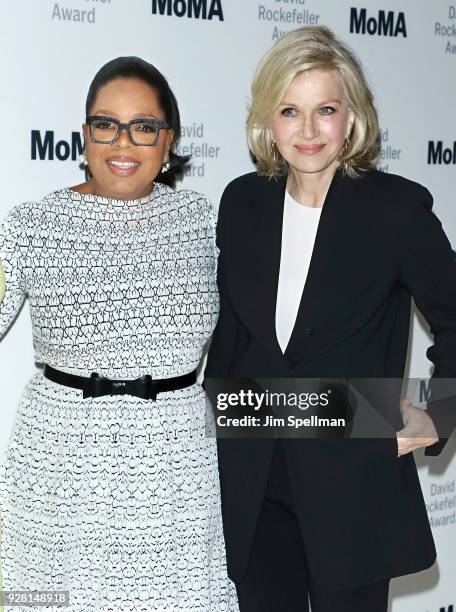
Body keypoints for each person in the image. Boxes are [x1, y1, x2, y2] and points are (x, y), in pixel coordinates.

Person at [205, 26, 456, 612]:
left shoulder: (397, 210)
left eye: (326, 110)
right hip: (255, 478)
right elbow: (233, 340)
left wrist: (438, 414)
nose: (309, 130)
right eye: (290, 111)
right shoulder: (243, 202)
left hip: (354, 482)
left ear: (353, 118)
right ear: (269, 121)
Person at [0, 56, 238, 611]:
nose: (123, 142)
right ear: (85, 136)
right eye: (106, 124)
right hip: (57, 465)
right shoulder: (30, 226)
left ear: (168, 138)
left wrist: (355, 409)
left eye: (143, 126)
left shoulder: (203, 220)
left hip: (177, 466)